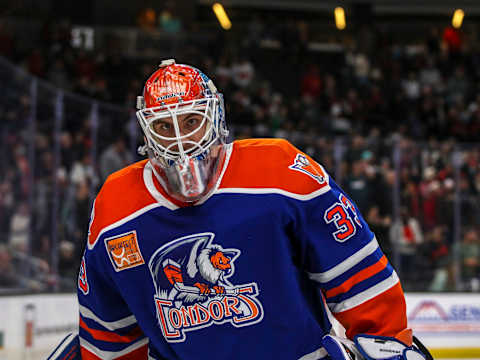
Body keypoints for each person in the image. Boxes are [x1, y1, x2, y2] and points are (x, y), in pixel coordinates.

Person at [59, 59, 431, 359]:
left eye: (191, 121)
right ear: (146, 132)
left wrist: (388, 340)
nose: (180, 139)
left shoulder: (280, 171)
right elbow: (110, 332)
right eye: (163, 127)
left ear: (215, 115)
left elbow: (356, 271)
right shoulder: (115, 207)